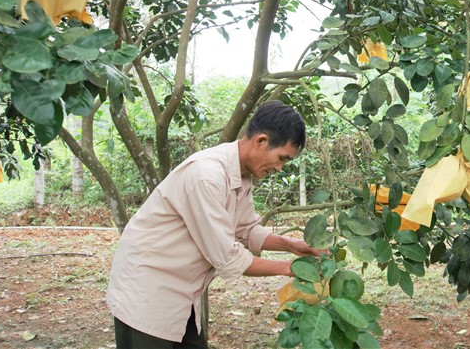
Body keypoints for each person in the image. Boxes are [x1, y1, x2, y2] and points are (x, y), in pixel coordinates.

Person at [107, 100, 324, 348]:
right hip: (147, 292)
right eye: (281, 158)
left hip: (183, 296)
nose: (280, 167)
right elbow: (228, 258)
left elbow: (246, 229)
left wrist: (292, 245)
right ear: (261, 141)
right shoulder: (206, 175)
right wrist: (292, 268)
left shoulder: (242, 175)